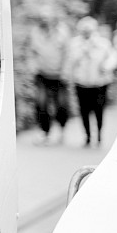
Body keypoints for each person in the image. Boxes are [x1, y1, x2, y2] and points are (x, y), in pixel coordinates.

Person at [62, 16, 117, 147]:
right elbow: (70, 61)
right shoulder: (75, 44)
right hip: (81, 83)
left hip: (99, 83)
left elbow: (113, 58)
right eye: (84, 30)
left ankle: (99, 135)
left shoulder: (103, 43)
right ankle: (87, 136)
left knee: (99, 110)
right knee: (84, 111)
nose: (86, 32)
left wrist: (105, 67)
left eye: (89, 30)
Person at [26, 17, 69, 145]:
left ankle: (62, 130)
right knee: (41, 103)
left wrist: (65, 71)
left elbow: (68, 53)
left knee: (61, 105)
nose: (45, 23)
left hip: (59, 75)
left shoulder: (62, 32)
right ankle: (45, 132)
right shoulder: (35, 33)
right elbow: (31, 52)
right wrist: (32, 67)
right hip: (42, 75)